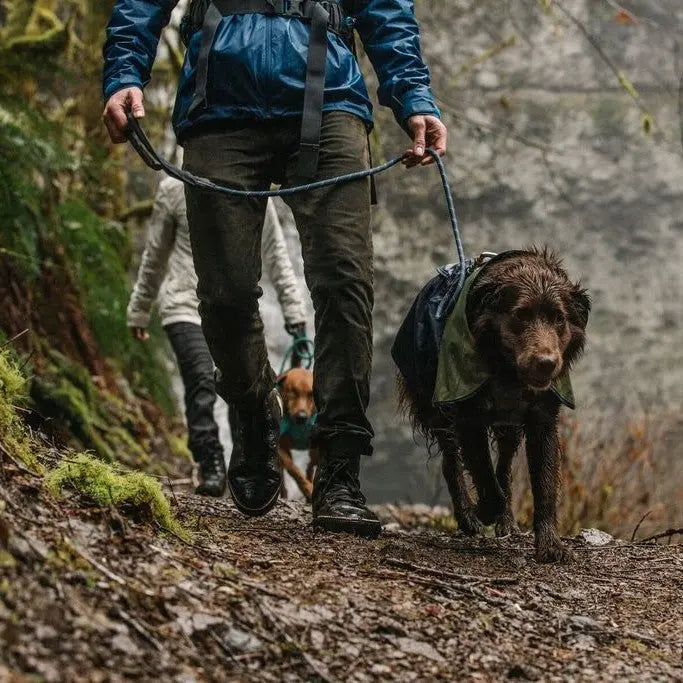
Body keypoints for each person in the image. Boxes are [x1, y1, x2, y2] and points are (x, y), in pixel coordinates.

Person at [103, 0, 447, 538]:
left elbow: (384, 7)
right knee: (224, 294)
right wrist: (125, 72)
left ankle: (338, 469)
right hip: (219, 106)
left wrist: (414, 98)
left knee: (346, 283)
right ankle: (252, 412)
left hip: (330, 99)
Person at [127, 177, 306, 497]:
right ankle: (210, 464)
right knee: (201, 381)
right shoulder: (173, 188)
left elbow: (277, 255)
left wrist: (294, 311)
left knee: (244, 386)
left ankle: (249, 464)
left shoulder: (254, 185)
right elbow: (155, 253)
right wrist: (140, 307)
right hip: (184, 305)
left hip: (235, 313)